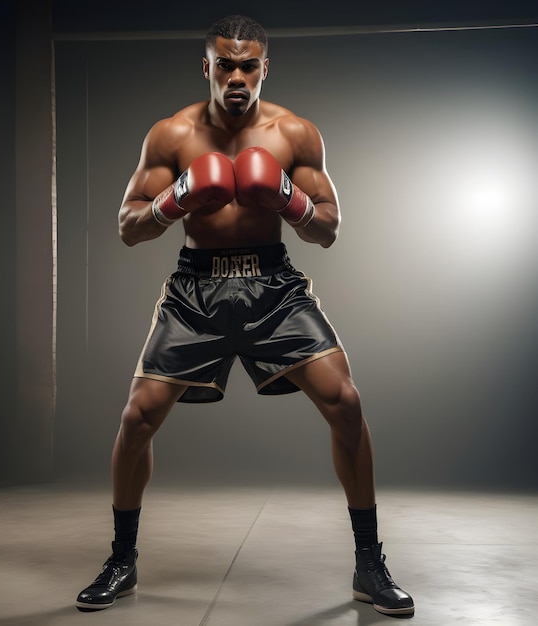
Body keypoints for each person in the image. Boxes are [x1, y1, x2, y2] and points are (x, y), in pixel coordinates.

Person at [75, 14, 414, 618]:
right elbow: (128, 228)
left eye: (248, 64)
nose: (237, 76)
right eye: (225, 64)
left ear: (264, 67)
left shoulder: (295, 132)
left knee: (347, 404)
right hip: (196, 287)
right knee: (137, 419)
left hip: (273, 283)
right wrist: (175, 200)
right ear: (206, 66)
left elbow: (329, 231)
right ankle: (121, 560)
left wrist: (288, 196)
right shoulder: (171, 135)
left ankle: (369, 563)